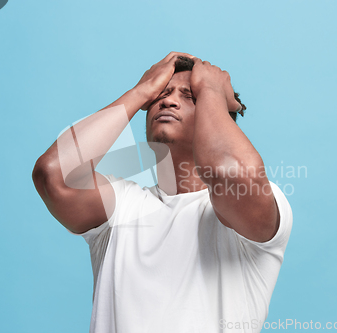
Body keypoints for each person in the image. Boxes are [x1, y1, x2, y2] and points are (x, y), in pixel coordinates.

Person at [32, 52, 293, 333]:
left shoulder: (261, 203)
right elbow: (53, 174)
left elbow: (228, 171)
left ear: (215, 112)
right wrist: (141, 90)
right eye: (161, 94)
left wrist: (212, 89)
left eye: (189, 96)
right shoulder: (121, 207)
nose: (167, 100)